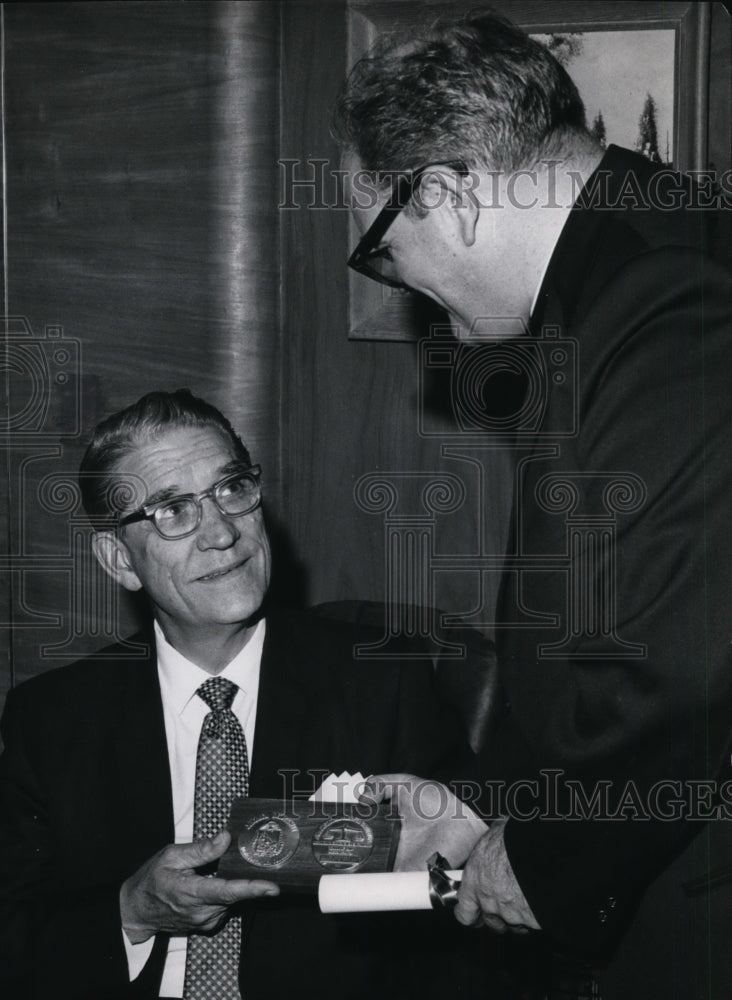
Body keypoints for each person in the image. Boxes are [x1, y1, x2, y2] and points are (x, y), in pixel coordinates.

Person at [333, 9, 732, 997]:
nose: (404, 293)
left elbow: (677, 671)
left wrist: (545, 858)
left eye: (384, 251)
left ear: (451, 195)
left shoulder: (670, 289)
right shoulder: (615, 276)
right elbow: (586, 625)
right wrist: (479, 809)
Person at [0, 388, 499, 1000]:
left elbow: (473, 896)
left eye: (232, 489)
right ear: (120, 561)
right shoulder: (52, 719)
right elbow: (16, 935)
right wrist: (132, 911)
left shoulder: (381, 679)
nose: (220, 533)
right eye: (172, 511)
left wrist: (444, 853)